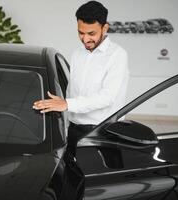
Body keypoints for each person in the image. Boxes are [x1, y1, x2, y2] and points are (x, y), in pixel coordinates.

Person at [33, 1, 129, 156]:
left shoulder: (117, 55)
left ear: (105, 28)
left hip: (103, 132)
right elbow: (72, 89)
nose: (85, 39)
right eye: (81, 33)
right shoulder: (78, 53)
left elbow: (107, 97)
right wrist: (63, 111)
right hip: (74, 129)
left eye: (91, 34)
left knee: (99, 178)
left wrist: (67, 104)